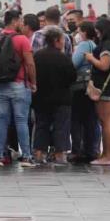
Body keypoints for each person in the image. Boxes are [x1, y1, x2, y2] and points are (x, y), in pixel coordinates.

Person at [0, 9, 37, 168]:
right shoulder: (22, 40)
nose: (22, 24)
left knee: (1, 120)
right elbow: (30, 63)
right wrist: (33, 82)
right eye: (20, 21)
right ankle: (27, 156)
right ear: (15, 21)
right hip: (19, 85)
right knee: (21, 120)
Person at [32, 26, 77, 164]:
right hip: (61, 98)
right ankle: (59, 155)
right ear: (56, 40)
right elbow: (72, 77)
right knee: (61, 126)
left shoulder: (37, 56)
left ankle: (39, 153)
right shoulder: (63, 58)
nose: (64, 41)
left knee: (41, 125)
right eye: (63, 39)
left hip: (40, 97)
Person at [85, 19, 110, 166]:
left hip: (105, 87)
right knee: (105, 120)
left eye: (98, 31)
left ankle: (108, 155)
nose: (96, 34)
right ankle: (106, 154)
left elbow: (104, 65)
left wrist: (90, 58)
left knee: (106, 121)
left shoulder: (108, 44)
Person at [69, 21, 100, 163]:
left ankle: (77, 150)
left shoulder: (83, 45)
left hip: (80, 87)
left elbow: (73, 64)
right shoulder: (94, 44)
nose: (77, 34)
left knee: (77, 119)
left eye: (79, 31)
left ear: (85, 33)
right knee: (91, 119)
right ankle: (92, 149)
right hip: (90, 86)